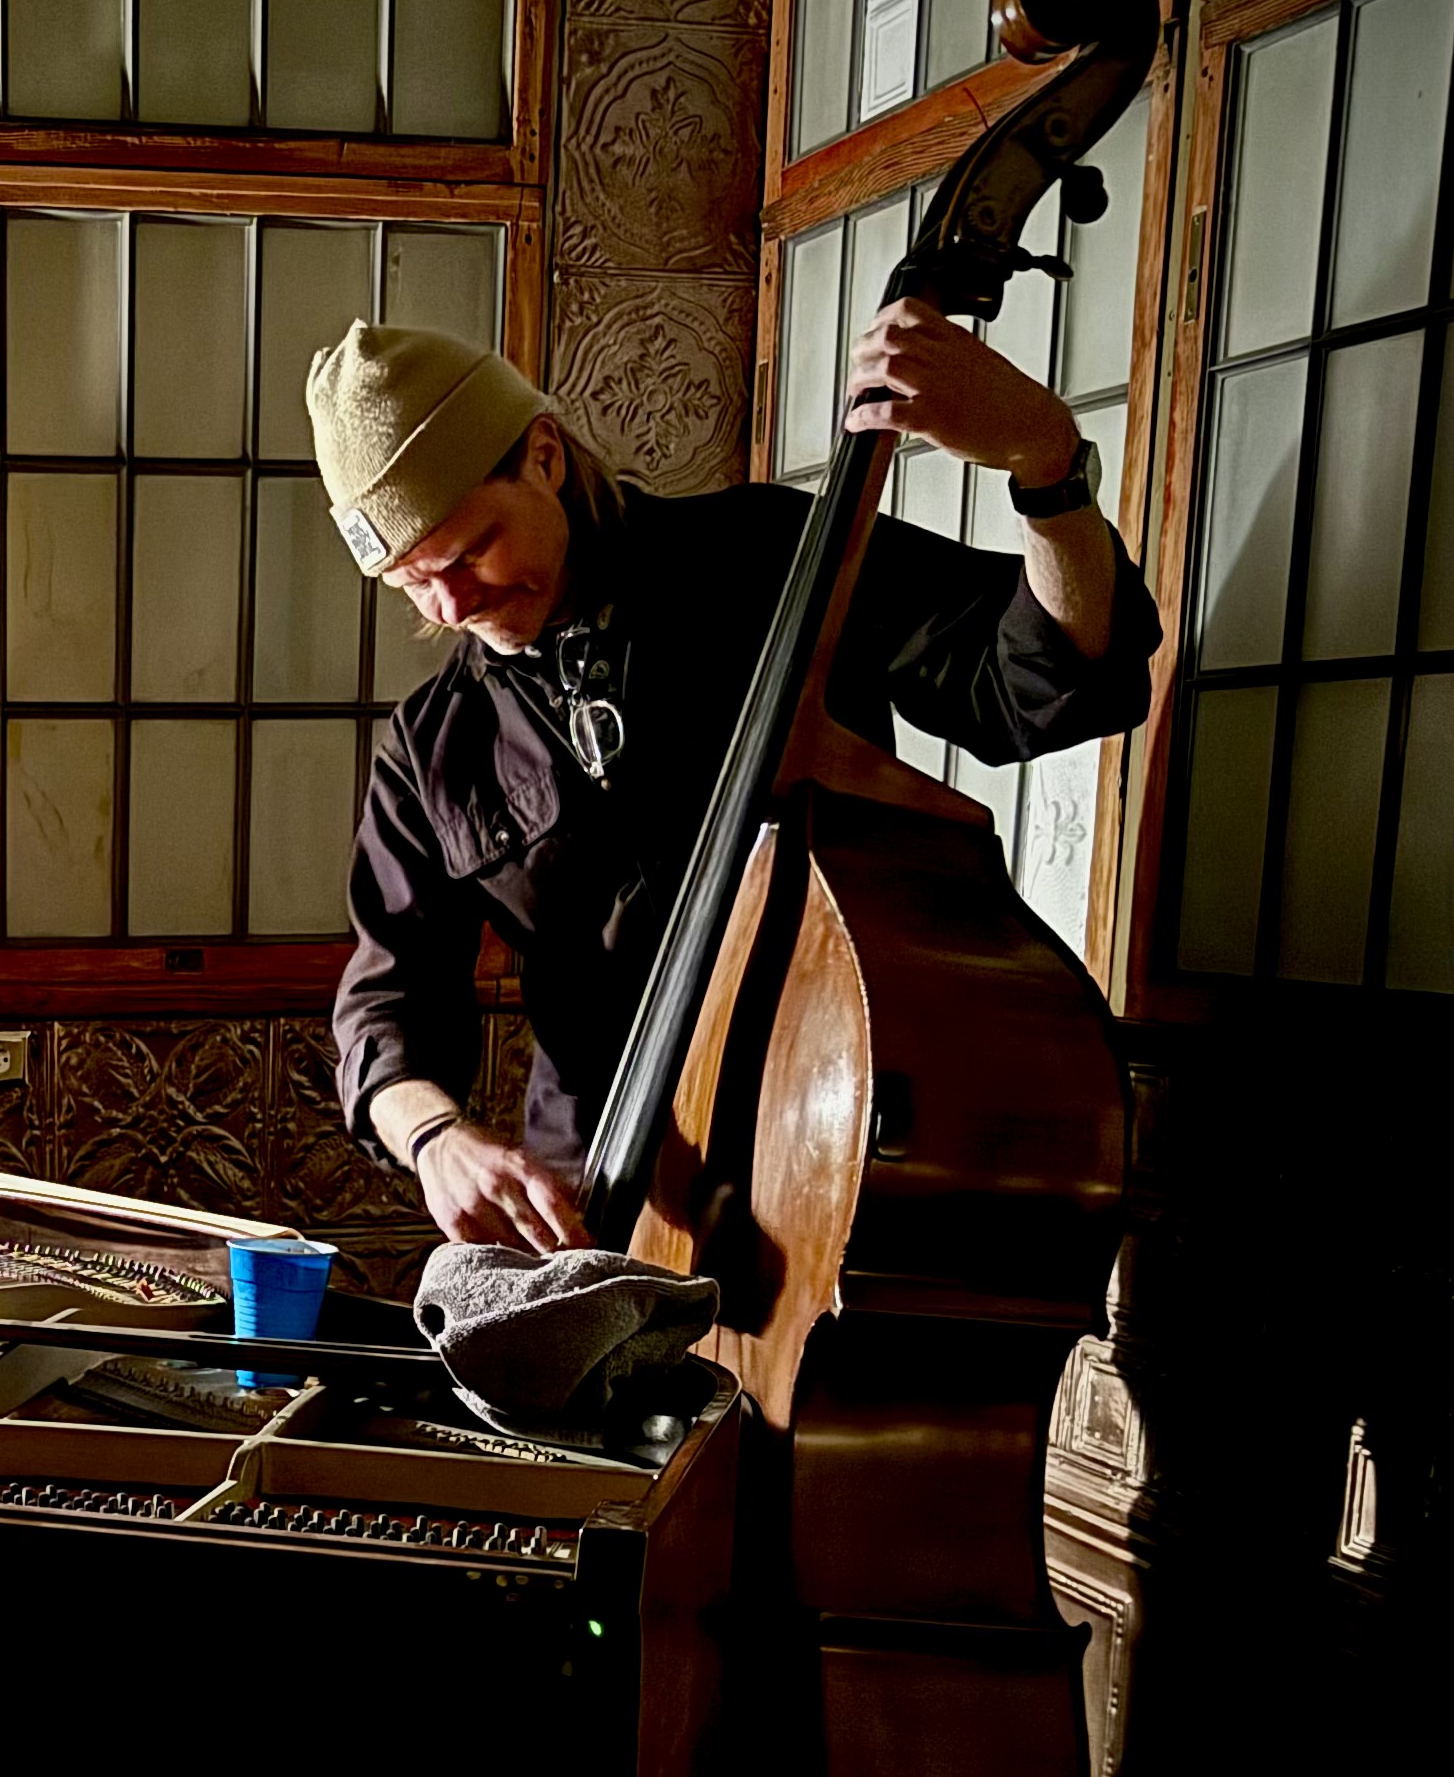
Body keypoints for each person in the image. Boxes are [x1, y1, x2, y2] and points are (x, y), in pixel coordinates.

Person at [312, 305, 1163, 1251]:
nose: (453, 603)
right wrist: (433, 1137)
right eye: (412, 581)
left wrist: (1042, 463)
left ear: (543, 456)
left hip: (839, 1148)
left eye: (470, 551)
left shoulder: (767, 555)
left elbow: (1055, 679)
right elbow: (386, 1003)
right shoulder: (434, 743)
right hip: (606, 1197)